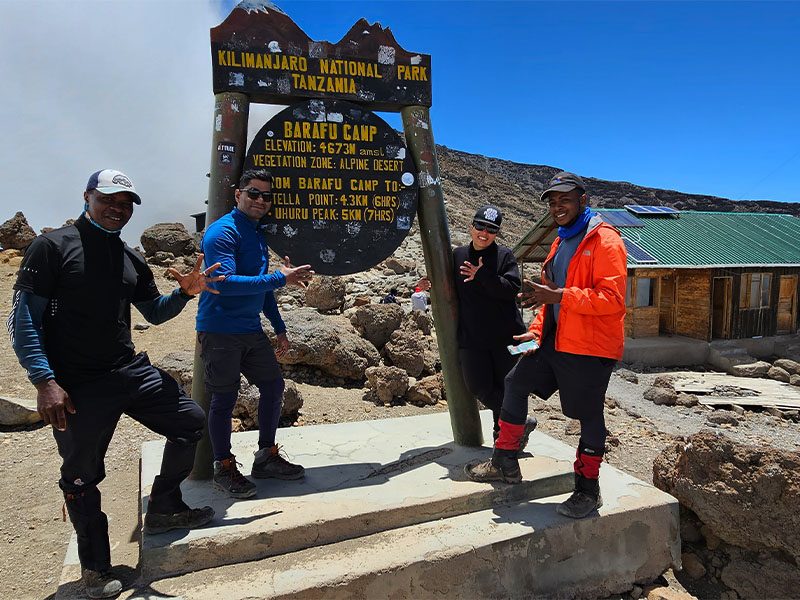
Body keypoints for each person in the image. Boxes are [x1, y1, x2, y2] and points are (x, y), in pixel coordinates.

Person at [8, 169, 222, 598]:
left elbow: (154, 313)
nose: (117, 209)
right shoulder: (52, 246)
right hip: (75, 383)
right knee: (82, 476)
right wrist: (44, 380)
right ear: (88, 196)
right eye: (109, 199)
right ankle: (95, 568)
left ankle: (164, 506)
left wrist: (185, 293)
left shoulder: (130, 257)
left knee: (190, 421)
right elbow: (24, 319)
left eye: (125, 204)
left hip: (127, 369)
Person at [465, 172, 627, 520]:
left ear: (584, 200)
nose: (557, 207)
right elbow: (549, 300)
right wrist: (537, 329)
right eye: (553, 202)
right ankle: (505, 462)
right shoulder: (560, 241)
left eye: (564, 200)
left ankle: (588, 490)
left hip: (591, 348)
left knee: (588, 415)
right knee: (514, 383)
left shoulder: (606, 241)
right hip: (556, 339)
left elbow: (612, 299)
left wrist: (560, 295)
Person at [197, 168, 314, 499]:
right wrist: (280, 278)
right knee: (224, 398)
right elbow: (224, 284)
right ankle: (223, 466)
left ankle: (265, 457)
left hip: (249, 329)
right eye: (253, 193)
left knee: (274, 386)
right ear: (238, 195)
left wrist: (279, 329)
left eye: (266, 196)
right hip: (219, 330)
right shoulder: (222, 233)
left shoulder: (256, 234)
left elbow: (260, 289)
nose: (260, 200)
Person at [419, 205, 536, 445]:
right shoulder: (458, 255)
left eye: (491, 229)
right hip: (472, 338)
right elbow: (446, 285)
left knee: (503, 386)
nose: (484, 232)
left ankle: (502, 438)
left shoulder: (504, 256)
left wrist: (483, 275)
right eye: (480, 226)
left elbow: (511, 289)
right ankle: (518, 423)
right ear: (471, 227)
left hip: (506, 338)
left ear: (496, 234)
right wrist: (428, 284)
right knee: (478, 386)